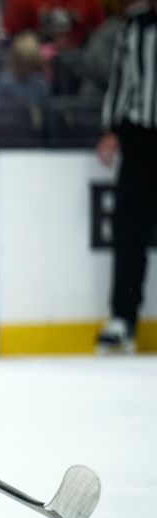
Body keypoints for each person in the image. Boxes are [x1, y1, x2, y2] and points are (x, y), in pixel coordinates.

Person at [96, 0, 157, 353]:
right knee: (129, 229)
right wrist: (112, 128)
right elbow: (120, 80)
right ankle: (123, 317)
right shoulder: (134, 27)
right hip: (139, 137)